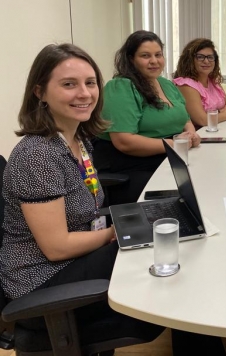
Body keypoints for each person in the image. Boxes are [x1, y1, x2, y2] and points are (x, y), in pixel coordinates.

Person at [0, 43, 163, 346]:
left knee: (160, 235)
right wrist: (115, 233)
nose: (85, 93)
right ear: (40, 92)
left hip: (76, 258)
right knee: (156, 257)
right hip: (42, 282)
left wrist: (129, 225)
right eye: (68, 84)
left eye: (90, 83)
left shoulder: (78, 141)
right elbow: (57, 247)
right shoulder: (38, 155)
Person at [94, 31, 199, 204]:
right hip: (131, 165)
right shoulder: (121, 87)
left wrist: (191, 133)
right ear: (131, 59)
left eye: (158, 55)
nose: (154, 61)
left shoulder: (166, 84)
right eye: (145, 55)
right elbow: (124, 141)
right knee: (184, 199)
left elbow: (185, 118)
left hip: (167, 156)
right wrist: (175, 145)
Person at [173, 38, 226, 128]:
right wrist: (225, 114)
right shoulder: (186, 85)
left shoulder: (213, 81)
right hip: (200, 135)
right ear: (190, 60)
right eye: (200, 57)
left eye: (210, 57)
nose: (206, 61)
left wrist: (215, 116)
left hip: (218, 129)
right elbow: (203, 120)